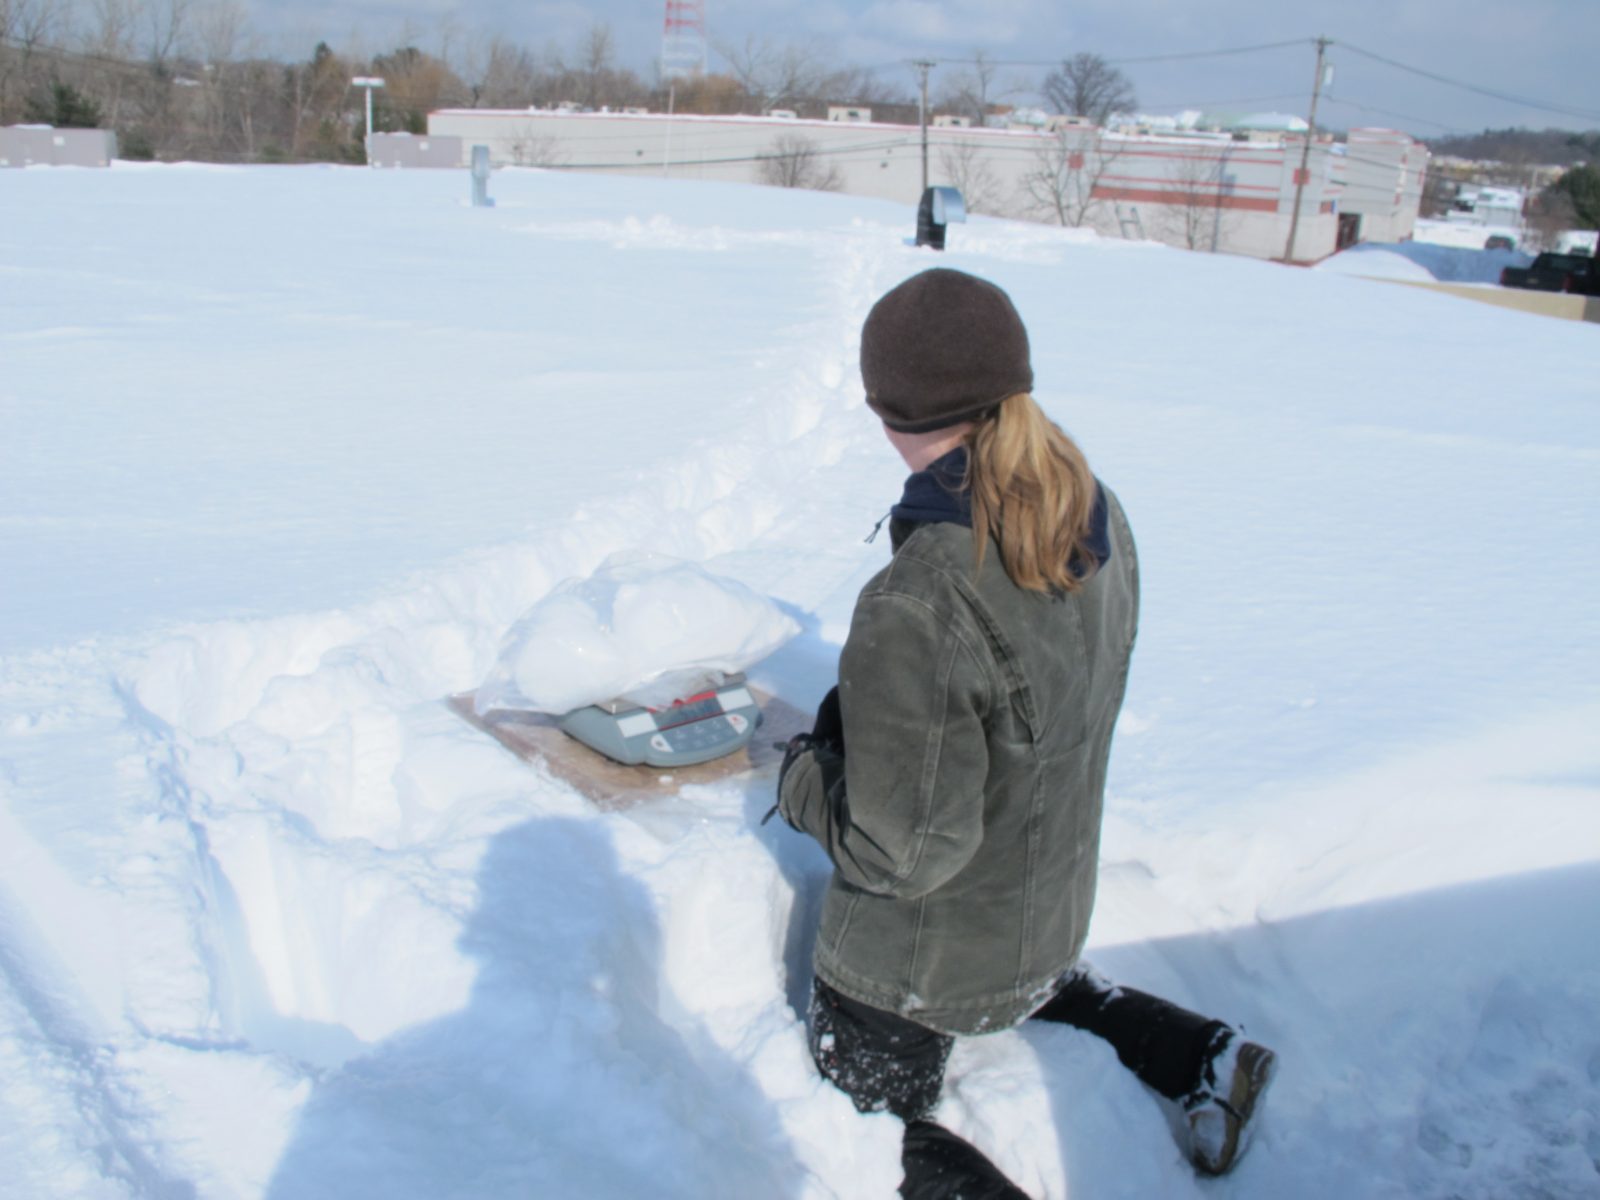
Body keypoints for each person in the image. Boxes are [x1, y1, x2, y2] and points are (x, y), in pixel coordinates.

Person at [773, 268, 1275, 1198]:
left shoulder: (923, 594)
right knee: (1031, 977)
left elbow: (900, 853)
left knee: (860, 1132)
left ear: (887, 411)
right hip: (1044, 919)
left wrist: (804, 776)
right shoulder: (1091, 507)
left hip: (915, 968)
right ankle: (1204, 1053)